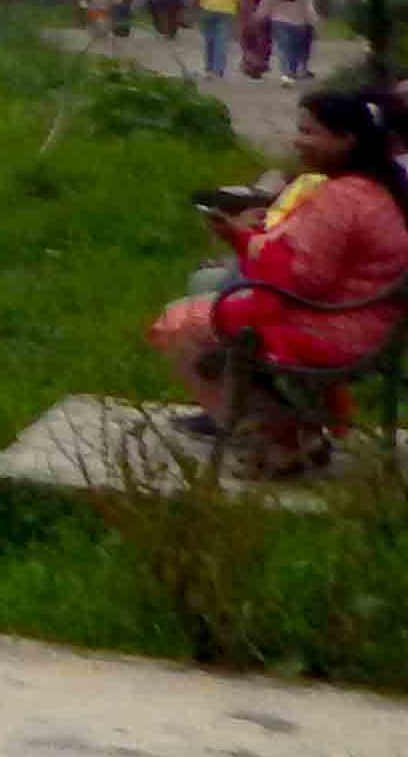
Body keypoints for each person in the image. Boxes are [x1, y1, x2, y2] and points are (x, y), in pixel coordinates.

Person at [145, 87, 408, 477]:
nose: (297, 142)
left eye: (309, 132)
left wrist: (245, 243)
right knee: (201, 316)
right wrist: (240, 238)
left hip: (338, 327)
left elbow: (304, 280)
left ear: (346, 140)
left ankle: (287, 440)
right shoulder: (372, 188)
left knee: (181, 326)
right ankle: (293, 434)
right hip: (364, 319)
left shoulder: (342, 198)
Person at [266, 0, 321, 84]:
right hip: (299, 25)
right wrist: (315, 23)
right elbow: (309, 9)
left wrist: (259, 17)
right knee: (294, 50)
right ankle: (291, 72)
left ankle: (286, 74)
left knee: (284, 49)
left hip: (279, 22)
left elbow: (266, 4)